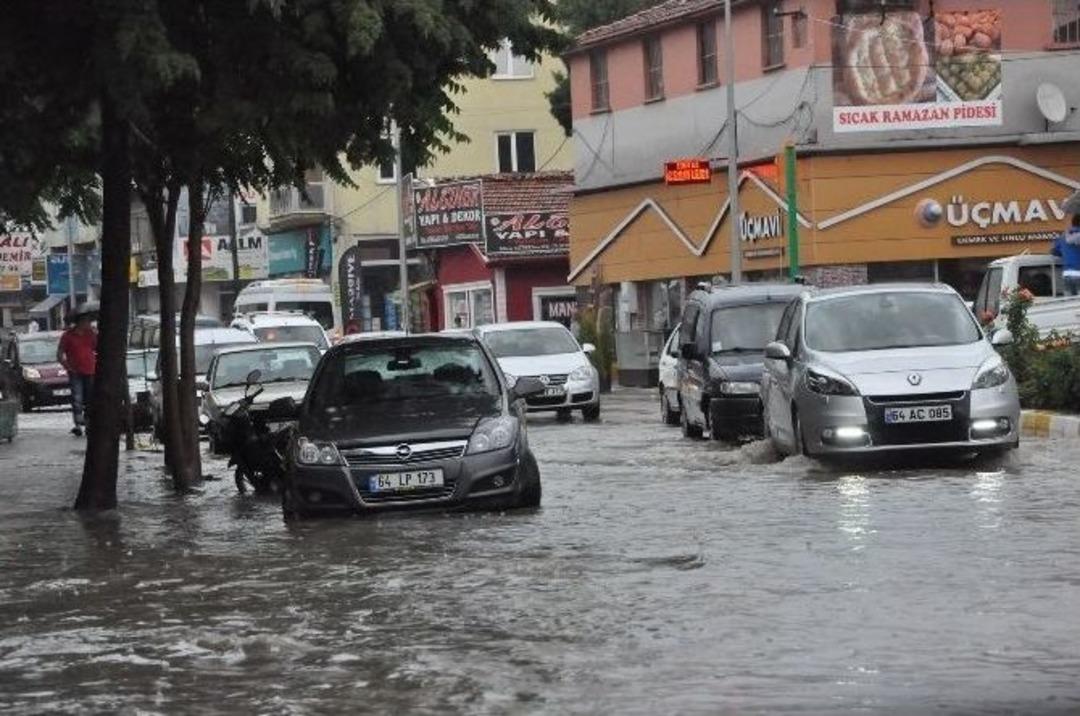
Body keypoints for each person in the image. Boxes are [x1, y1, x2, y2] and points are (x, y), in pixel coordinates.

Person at [57, 307, 97, 436]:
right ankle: (78, 424)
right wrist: (67, 367)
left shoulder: (90, 334)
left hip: (90, 370)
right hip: (75, 372)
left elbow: (97, 347)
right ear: (79, 322)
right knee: (77, 397)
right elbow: (59, 354)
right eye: (86, 321)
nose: (88, 324)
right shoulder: (68, 336)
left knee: (90, 399)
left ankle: (89, 422)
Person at [1052, 214, 1080, 296]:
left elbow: (1054, 251)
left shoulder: (1063, 236)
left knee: (1068, 303)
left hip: (1067, 273)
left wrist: (1066, 253)